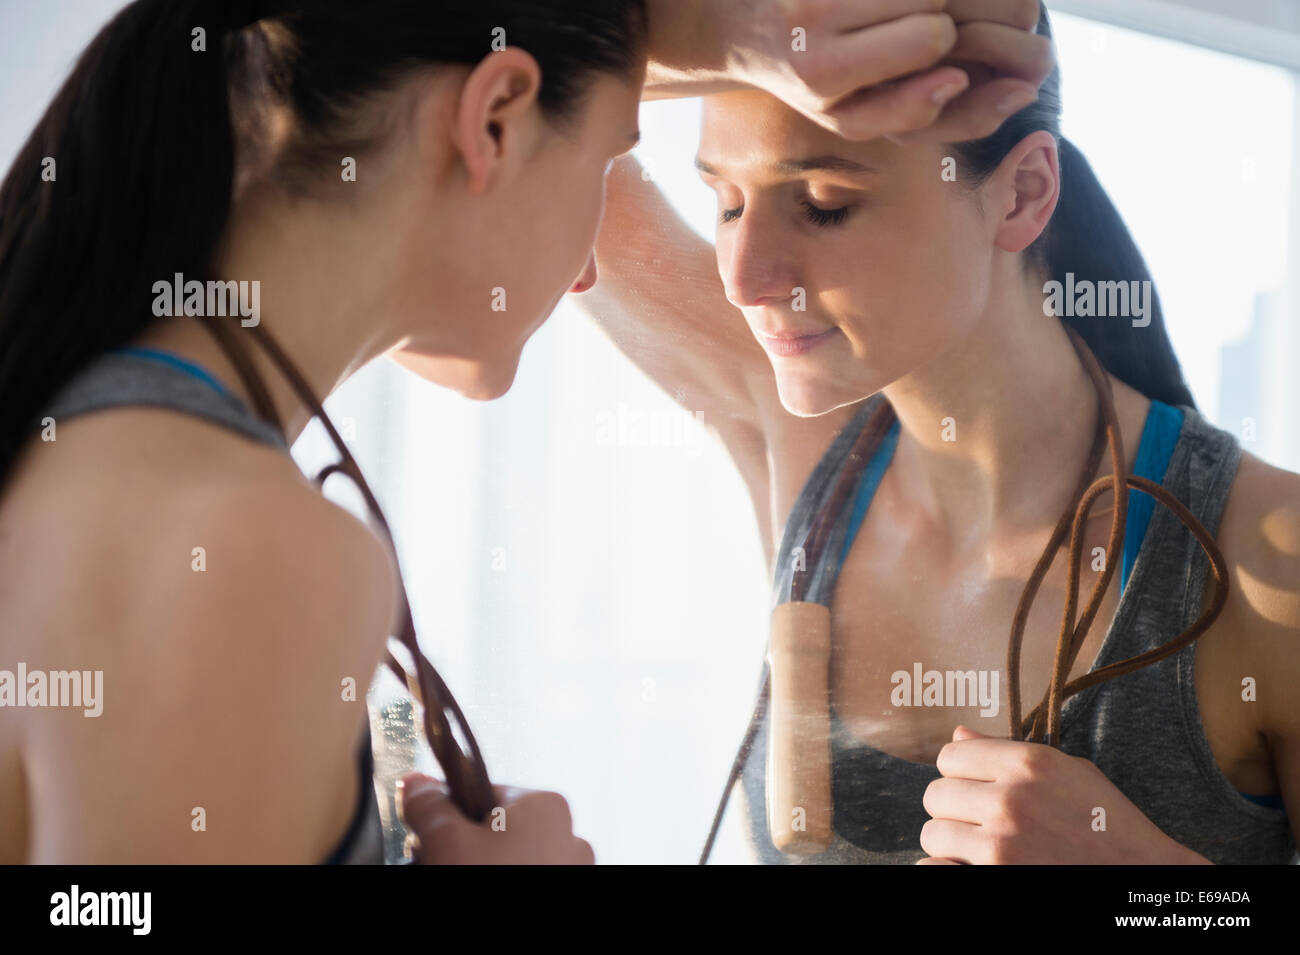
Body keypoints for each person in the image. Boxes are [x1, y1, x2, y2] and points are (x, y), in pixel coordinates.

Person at [0, 0, 1046, 863]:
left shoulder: (103, 441)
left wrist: (719, 38)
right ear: (495, 118)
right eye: (607, 162)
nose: (595, 262)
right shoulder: (240, 538)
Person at [570, 4, 1300, 863]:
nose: (744, 277)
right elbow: (506, 77)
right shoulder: (797, 432)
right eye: (726, 202)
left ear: (1022, 193)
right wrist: (731, 41)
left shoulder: (1267, 556)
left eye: (822, 204)